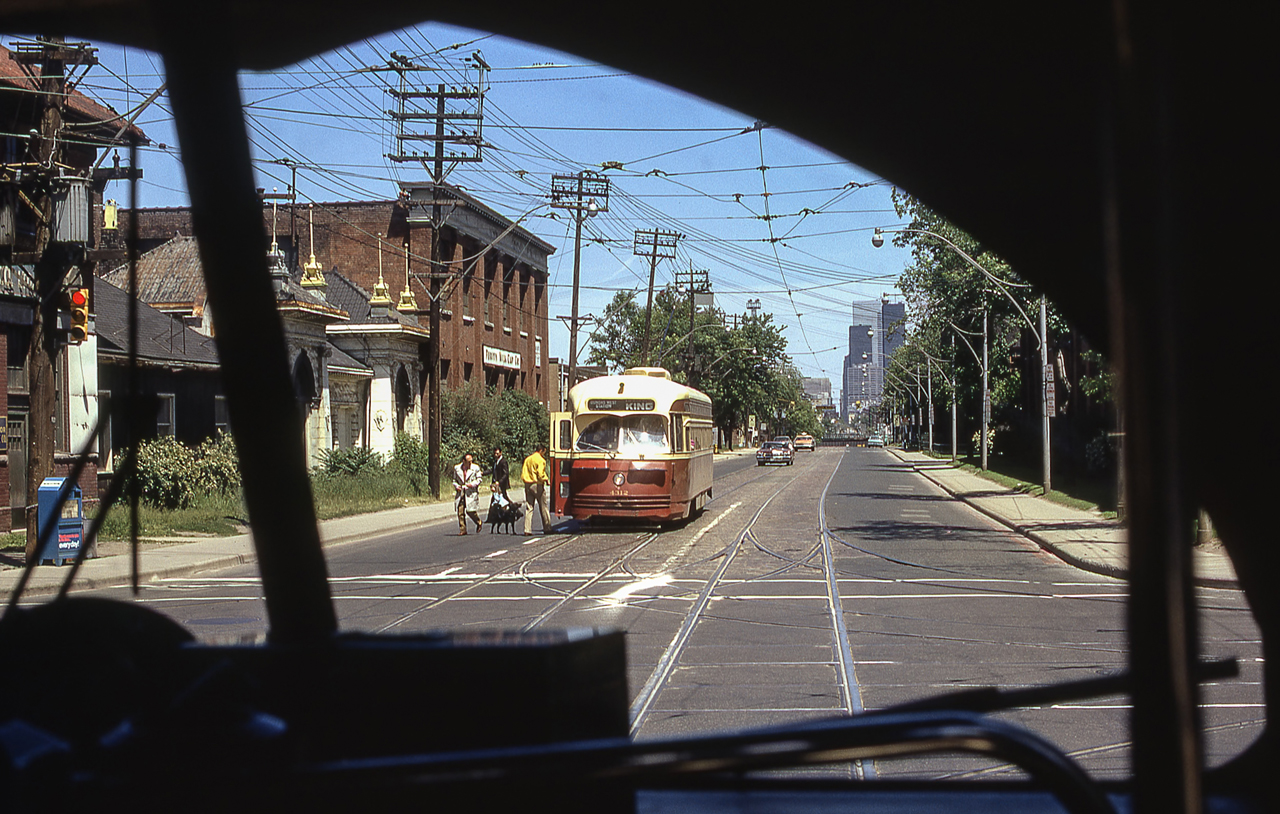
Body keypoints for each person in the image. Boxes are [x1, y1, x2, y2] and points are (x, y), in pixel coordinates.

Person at [521, 443, 551, 536]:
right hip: (537, 485)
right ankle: (547, 527)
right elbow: (540, 474)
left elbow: (523, 472)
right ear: (541, 450)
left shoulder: (528, 459)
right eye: (544, 452)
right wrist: (546, 479)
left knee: (529, 507)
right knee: (543, 506)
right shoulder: (541, 460)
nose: (544, 454)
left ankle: (527, 529)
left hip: (527, 484)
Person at [452, 452, 483, 535]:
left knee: (470, 511)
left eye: (471, 461)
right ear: (463, 461)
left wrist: (471, 484)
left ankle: (478, 521)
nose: (470, 463)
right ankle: (463, 529)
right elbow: (454, 480)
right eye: (468, 461)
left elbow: (479, 479)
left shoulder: (475, 468)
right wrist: (457, 486)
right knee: (460, 511)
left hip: (470, 493)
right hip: (461, 492)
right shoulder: (457, 468)